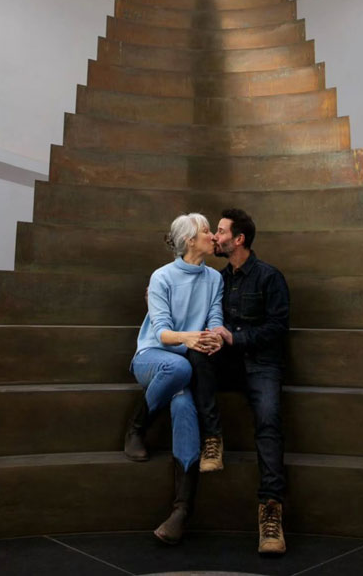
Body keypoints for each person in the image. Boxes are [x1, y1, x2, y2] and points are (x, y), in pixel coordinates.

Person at [188, 208, 290, 555]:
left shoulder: (269, 277)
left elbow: (277, 329)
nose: (215, 237)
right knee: (197, 352)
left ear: (239, 239)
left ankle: (271, 513)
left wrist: (235, 337)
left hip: (262, 364)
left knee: (268, 421)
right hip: (229, 363)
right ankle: (213, 438)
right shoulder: (218, 278)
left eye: (220, 231)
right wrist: (216, 339)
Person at [124, 212, 224, 544]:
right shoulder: (162, 277)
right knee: (179, 370)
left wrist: (212, 338)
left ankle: (181, 511)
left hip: (188, 359)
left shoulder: (215, 279)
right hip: (155, 357)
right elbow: (163, 332)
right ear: (189, 241)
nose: (213, 236)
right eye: (206, 231)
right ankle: (137, 426)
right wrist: (190, 339)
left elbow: (214, 319)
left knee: (183, 406)